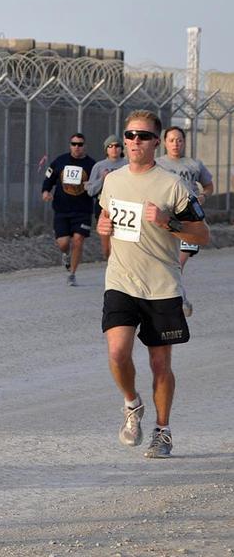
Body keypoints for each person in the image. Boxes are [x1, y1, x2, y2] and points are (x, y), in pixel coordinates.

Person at [96, 110, 210, 459]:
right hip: (121, 280)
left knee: (160, 365)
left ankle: (162, 431)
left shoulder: (173, 184)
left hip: (161, 286)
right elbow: (107, 221)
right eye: (129, 135)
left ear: (156, 143)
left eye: (142, 136)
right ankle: (132, 404)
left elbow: (203, 235)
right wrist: (104, 231)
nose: (133, 141)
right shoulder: (113, 180)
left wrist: (168, 221)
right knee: (117, 352)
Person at [156, 126, 214, 317]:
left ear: (184, 142)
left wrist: (204, 195)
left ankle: (179, 297)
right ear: (164, 142)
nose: (175, 144)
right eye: (171, 140)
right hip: (165, 218)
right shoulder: (157, 164)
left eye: (179, 140)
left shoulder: (194, 165)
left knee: (178, 262)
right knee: (166, 262)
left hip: (189, 220)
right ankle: (174, 296)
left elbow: (208, 185)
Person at [42, 133, 96, 286]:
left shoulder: (92, 165)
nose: (77, 147)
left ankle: (72, 274)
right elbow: (49, 177)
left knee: (78, 241)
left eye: (80, 144)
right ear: (70, 145)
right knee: (63, 243)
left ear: (85, 146)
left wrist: (91, 187)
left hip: (82, 210)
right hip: (62, 209)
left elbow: (98, 185)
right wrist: (45, 191)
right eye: (74, 144)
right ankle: (65, 254)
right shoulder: (60, 161)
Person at [86, 135, 126, 259]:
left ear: (121, 148)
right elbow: (91, 191)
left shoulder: (128, 164)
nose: (114, 149)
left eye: (117, 146)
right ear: (106, 149)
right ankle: (111, 264)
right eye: (110, 146)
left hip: (124, 207)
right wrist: (102, 179)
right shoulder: (99, 166)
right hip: (104, 206)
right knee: (106, 248)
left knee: (121, 244)